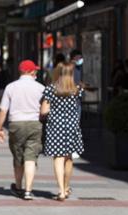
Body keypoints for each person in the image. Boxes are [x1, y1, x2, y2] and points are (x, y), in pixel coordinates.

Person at [0, 60, 45, 201]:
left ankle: (18, 187)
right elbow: (44, 109)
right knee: (31, 157)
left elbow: (3, 109)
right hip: (35, 123)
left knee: (18, 156)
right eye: (35, 70)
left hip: (16, 124)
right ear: (30, 71)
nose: (36, 72)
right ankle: (28, 191)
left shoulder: (11, 87)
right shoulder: (40, 87)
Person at [40, 62, 84, 201]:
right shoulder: (77, 90)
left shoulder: (50, 89)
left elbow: (44, 110)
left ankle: (61, 191)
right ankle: (66, 186)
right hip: (72, 126)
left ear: (57, 73)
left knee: (58, 158)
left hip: (55, 126)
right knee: (68, 158)